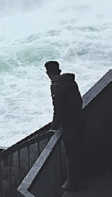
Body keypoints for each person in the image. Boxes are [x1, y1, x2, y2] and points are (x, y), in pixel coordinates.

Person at [45, 60, 84, 191]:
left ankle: (72, 182)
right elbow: (80, 101)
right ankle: (78, 180)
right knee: (78, 152)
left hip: (69, 126)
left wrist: (54, 126)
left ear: (48, 73)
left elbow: (59, 109)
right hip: (79, 121)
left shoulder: (56, 86)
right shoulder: (71, 82)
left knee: (71, 154)